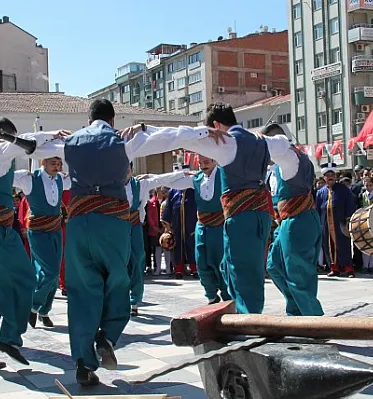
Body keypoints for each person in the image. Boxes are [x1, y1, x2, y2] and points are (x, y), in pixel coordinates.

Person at [27, 99, 227, 385]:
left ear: (89, 118)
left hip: (79, 224)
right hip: (112, 222)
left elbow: (29, 146)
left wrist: (46, 136)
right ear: (111, 120)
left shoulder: (70, 143)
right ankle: (107, 335)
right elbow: (170, 137)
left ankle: (83, 363)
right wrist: (205, 132)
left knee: (82, 291)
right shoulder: (122, 141)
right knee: (118, 279)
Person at [122, 103, 293, 314]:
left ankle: (248, 323)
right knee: (235, 269)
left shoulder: (224, 141)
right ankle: (239, 313)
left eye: (210, 130)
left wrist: (144, 130)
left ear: (216, 125)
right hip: (259, 216)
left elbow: (178, 136)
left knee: (243, 274)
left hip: (242, 218)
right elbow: (284, 142)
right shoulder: (262, 141)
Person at [0, 118, 68, 369]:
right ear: (3, 136)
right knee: (25, 279)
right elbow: (24, 144)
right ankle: (10, 337)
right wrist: (54, 134)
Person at [260, 123, 324, 316]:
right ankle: (296, 310)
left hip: (299, 220)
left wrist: (257, 142)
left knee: (298, 274)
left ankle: (314, 322)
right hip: (286, 223)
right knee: (274, 265)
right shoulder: (276, 168)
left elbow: (279, 149)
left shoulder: (291, 158)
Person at [13, 157, 71, 329]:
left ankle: (44, 311)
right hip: (37, 231)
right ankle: (32, 305)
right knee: (50, 272)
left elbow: (84, 178)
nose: (58, 167)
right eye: (54, 163)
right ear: (43, 162)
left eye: (60, 164)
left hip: (55, 230)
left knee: (51, 276)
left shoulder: (61, 179)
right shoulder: (30, 178)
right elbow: (3, 174)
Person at [125, 164, 187, 316]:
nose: (124, 171)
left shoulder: (140, 184)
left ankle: (134, 300)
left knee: (138, 259)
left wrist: (183, 173)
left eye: (127, 168)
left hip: (134, 226)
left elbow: (161, 179)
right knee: (118, 263)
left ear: (132, 170)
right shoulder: (111, 185)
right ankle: (118, 298)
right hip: (116, 228)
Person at [169, 155, 231, 304]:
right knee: (201, 261)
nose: (203, 166)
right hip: (202, 226)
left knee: (221, 262)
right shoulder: (195, 179)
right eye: (201, 163)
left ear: (214, 160)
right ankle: (211, 295)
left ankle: (227, 295)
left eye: (207, 162)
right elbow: (170, 181)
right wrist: (180, 173)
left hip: (220, 226)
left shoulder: (225, 175)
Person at [316, 163, 356, 278]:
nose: (330, 177)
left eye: (332, 174)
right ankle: (334, 268)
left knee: (343, 245)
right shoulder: (320, 192)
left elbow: (349, 204)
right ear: (324, 177)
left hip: (341, 222)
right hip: (326, 223)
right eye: (327, 175)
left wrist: (348, 220)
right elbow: (317, 209)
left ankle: (348, 268)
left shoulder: (343, 190)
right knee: (329, 246)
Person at [160, 187, 198, 278]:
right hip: (176, 227)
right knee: (178, 248)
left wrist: (197, 226)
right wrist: (168, 228)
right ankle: (178, 270)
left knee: (192, 246)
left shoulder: (194, 190)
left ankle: (195, 269)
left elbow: (199, 208)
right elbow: (168, 209)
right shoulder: (173, 191)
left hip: (191, 226)